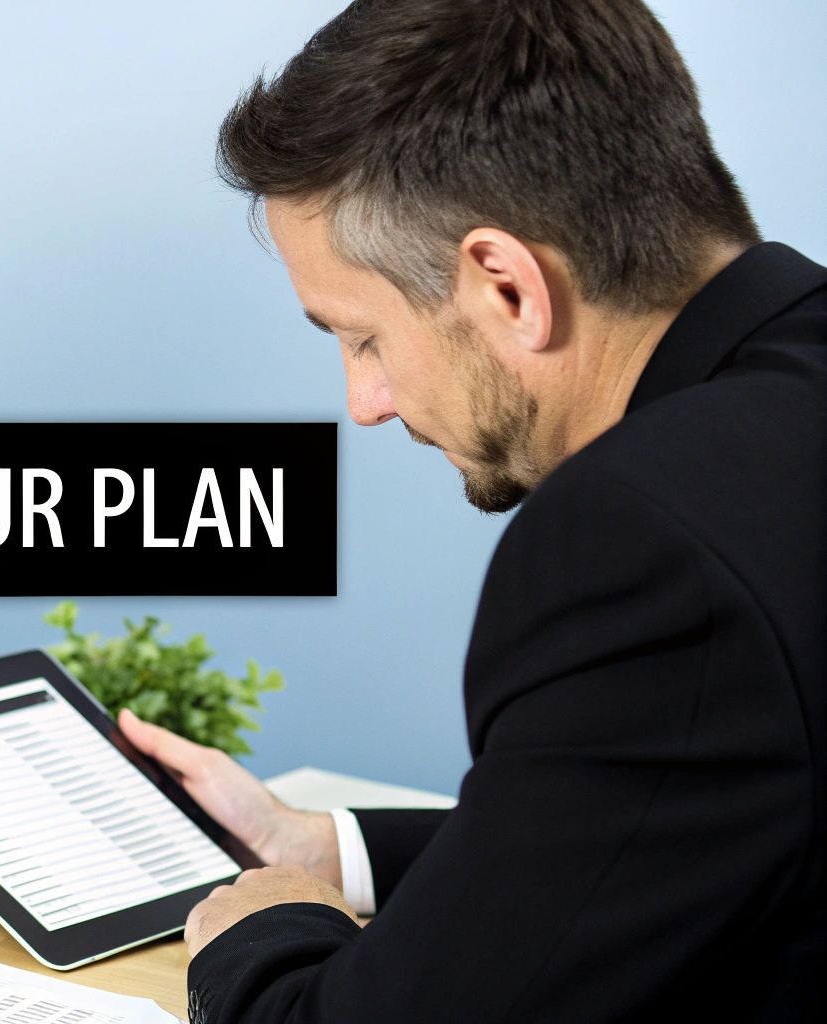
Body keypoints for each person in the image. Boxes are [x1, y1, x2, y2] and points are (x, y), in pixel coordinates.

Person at [113, 0, 825, 1020]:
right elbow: (683, 808)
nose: (364, 403)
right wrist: (324, 848)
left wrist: (260, 929)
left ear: (504, 287)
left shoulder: (642, 538)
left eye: (358, 337)